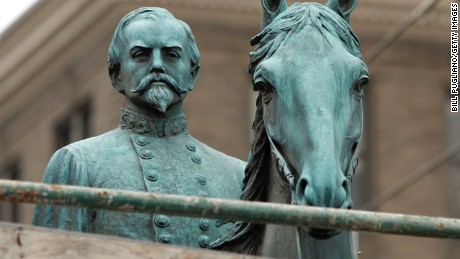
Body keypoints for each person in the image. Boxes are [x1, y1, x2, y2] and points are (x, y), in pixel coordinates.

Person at [33, 7, 245, 249]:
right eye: (141, 55)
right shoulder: (78, 162)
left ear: (192, 74)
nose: (157, 65)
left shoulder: (238, 176)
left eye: (172, 55)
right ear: (116, 75)